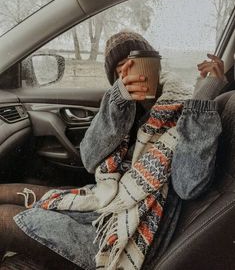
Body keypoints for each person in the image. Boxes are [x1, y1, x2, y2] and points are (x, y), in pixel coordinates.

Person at [0, 31, 227, 270]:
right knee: (4, 191)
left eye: (140, 60)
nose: (133, 71)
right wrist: (118, 102)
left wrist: (202, 101)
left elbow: (189, 185)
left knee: (3, 220)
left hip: (136, 227)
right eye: (122, 68)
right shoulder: (118, 105)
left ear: (157, 65)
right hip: (103, 201)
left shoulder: (186, 109)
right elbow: (89, 159)